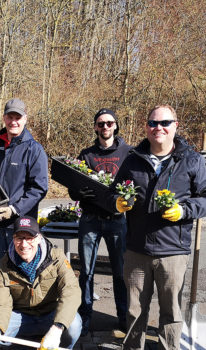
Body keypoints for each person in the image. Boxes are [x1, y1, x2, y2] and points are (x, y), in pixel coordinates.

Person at [110, 105, 206, 350]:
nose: (158, 128)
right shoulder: (132, 160)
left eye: (165, 123)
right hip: (137, 249)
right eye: (153, 123)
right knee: (134, 311)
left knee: (171, 313)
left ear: (175, 126)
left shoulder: (190, 161)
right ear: (146, 127)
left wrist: (184, 210)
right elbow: (113, 193)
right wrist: (116, 202)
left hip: (172, 251)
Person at [68, 108, 132, 336]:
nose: (105, 127)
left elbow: (136, 184)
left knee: (120, 272)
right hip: (90, 220)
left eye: (109, 123)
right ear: (95, 127)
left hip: (117, 221)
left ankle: (123, 317)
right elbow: (72, 188)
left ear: (116, 125)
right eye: (101, 123)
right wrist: (79, 193)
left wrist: (130, 199)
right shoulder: (86, 154)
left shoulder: (128, 152)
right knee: (86, 272)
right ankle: (85, 317)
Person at [0, 216, 83, 350]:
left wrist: (57, 328)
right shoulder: (2, 266)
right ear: (13, 239)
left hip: (51, 313)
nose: (24, 244)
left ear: (39, 238)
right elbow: (1, 302)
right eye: (19, 238)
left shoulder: (56, 257)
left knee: (73, 326)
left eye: (29, 238)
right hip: (21, 316)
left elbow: (71, 291)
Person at [0, 98, 49, 268]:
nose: (13, 122)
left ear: (25, 119)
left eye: (17, 117)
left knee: (21, 270)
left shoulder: (34, 150)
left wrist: (14, 209)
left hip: (20, 225)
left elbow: (39, 188)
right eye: (10, 117)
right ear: (4, 118)